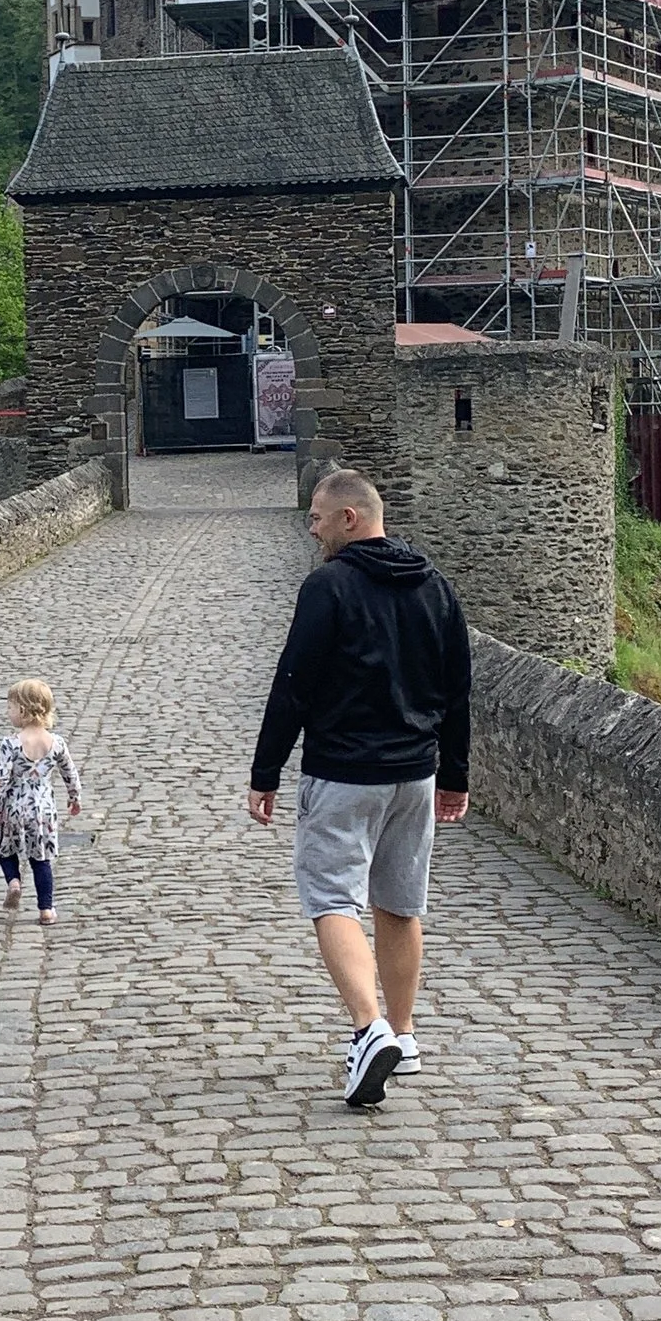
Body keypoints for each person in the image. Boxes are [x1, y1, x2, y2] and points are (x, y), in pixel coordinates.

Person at [248, 465, 471, 1108]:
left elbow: (294, 682)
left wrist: (266, 772)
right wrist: (454, 774)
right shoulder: (435, 585)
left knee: (332, 899)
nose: (312, 529)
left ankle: (369, 1030)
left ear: (350, 518)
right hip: (415, 775)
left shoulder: (329, 586)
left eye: (318, 518)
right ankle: (404, 1034)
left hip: (345, 772)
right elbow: (458, 688)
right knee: (400, 904)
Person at [0, 676, 83, 923]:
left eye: (10, 708)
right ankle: (46, 910)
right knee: (41, 859)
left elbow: (0, 777)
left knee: (6, 849)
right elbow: (69, 772)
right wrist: (74, 797)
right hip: (43, 810)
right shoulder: (56, 742)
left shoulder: (11, 744)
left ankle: (14, 882)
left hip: (14, 807)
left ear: (22, 710)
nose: (8, 713)